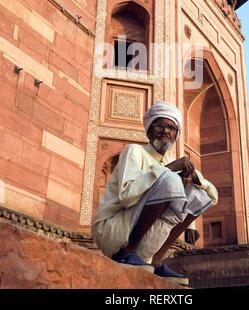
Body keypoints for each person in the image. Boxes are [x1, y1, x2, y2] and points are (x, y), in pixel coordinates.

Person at [92, 100, 218, 285]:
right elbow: (127, 196)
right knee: (171, 178)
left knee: (199, 194)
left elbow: (213, 196)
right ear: (150, 130)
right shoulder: (134, 151)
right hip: (113, 230)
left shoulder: (170, 161)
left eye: (171, 128)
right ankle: (128, 252)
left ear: (176, 135)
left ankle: (157, 260)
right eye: (160, 125)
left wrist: (195, 179)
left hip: (143, 237)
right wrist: (168, 169)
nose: (166, 131)